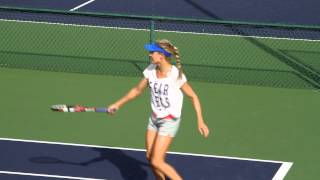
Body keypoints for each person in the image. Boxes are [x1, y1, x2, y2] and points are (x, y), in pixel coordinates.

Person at [108, 39, 210, 180]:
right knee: (150, 157)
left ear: (161, 56)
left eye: (152, 52)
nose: (150, 55)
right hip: (154, 118)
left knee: (157, 161)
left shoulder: (175, 75)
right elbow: (137, 90)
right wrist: (117, 104)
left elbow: (193, 96)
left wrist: (200, 121)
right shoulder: (151, 69)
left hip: (169, 120)